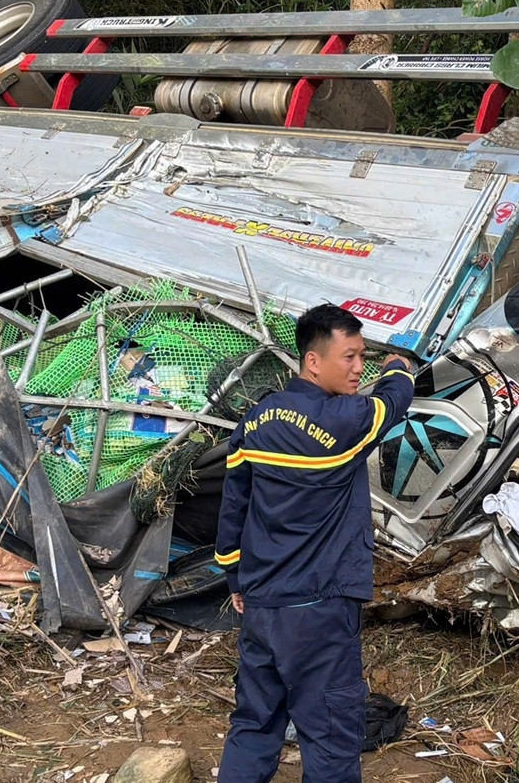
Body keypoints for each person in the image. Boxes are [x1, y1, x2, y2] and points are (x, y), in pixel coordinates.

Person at [215, 303, 415, 783]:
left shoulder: (255, 421)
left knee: (255, 721)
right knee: (329, 733)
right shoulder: (345, 423)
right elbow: (395, 399)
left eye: (363, 357)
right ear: (312, 360)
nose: (358, 367)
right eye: (349, 356)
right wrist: (398, 365)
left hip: (262, 606)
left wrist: (234, 576)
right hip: (319, 610)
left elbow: (234, 508)